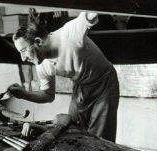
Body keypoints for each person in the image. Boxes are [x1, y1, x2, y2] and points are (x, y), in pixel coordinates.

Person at [8, 10, 119, 142]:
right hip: (81, 86)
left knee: (100, 140)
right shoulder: (41, 64)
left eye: (24, 50)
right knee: (72, 131)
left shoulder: (68, 34)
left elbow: (92, 12)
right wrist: (24, 94)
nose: (23, 58)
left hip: (104, 84)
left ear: (38, 41)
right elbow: (48, 95)